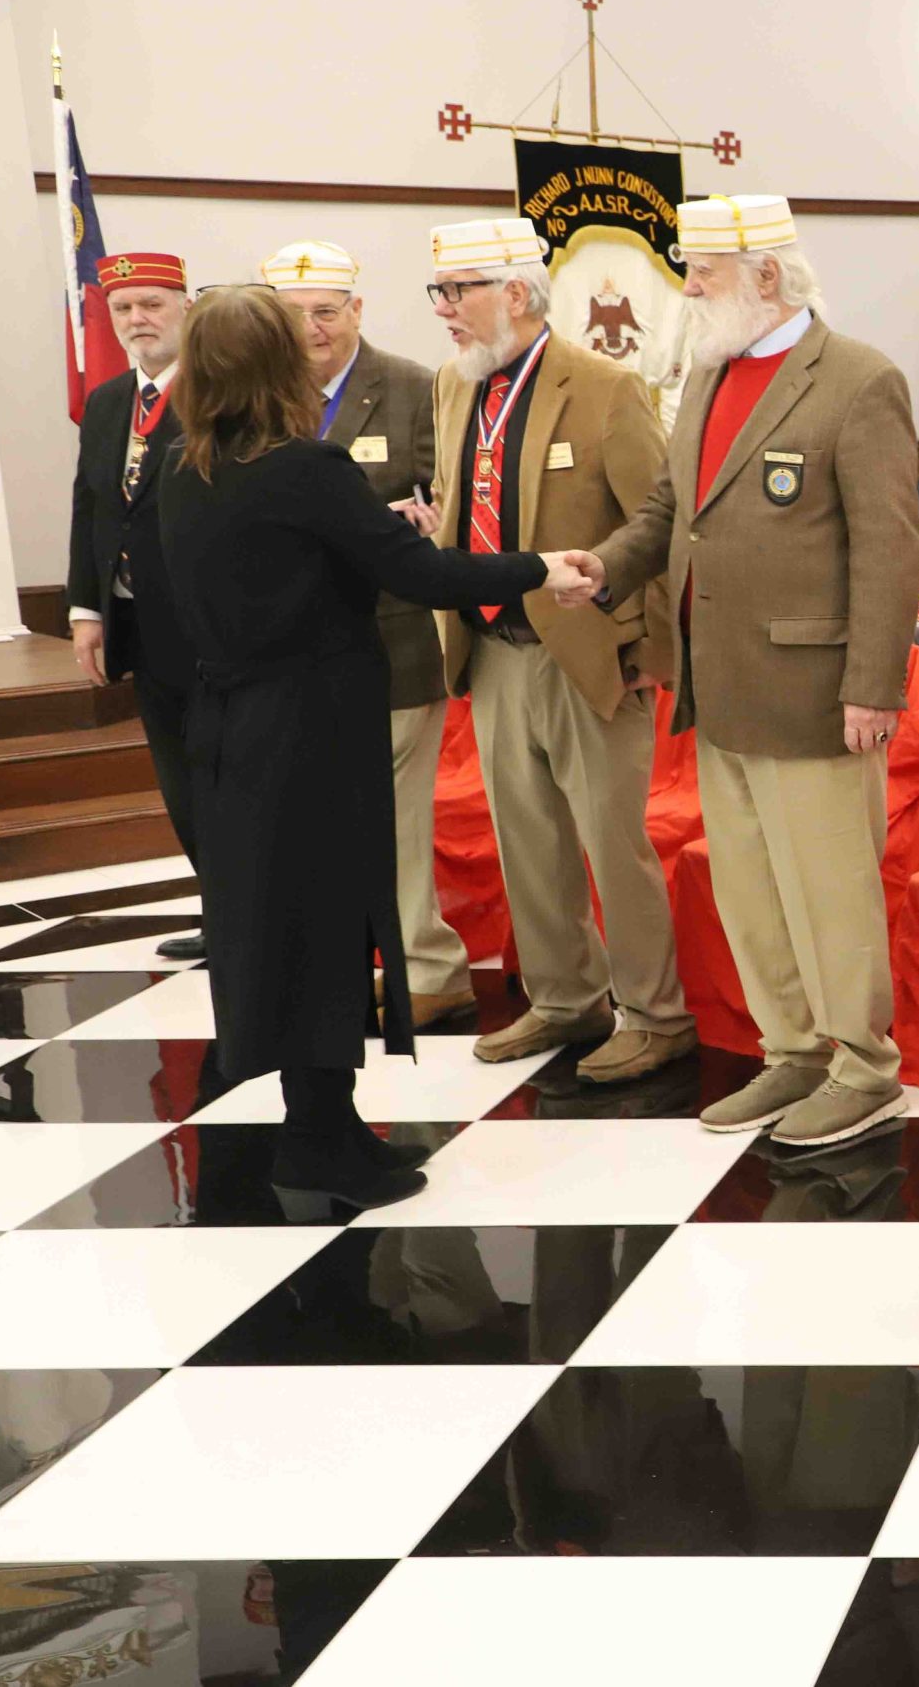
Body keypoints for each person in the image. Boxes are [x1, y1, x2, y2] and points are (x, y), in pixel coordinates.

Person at [154, 285, 599, 1209]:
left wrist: (363, 536)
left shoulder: (184, 466)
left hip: (232, 728)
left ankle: (326, 1120)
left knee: (277, 928)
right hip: (311, 731)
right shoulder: (305, 467)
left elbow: (272, 566)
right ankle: (320, 1141)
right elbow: (422, 575)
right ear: (278, 363)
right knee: (325, 928)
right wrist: (540, 566)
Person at [589, 194, 919, 1147]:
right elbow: (671, 509)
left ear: (767, 276)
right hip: (720, 683)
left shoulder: (859, 379)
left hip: (814, 692)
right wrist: (605, 568)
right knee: (750, 888)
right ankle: (794, 1052)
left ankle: (865, 1068)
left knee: (829, 891)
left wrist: (873, 685)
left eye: (703, 272)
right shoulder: (708, 373)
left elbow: (890, 548)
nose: (689, 290)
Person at [419, 218, 694, 1085]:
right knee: (527, 841)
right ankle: (567, 997)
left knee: (614, 844)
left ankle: (655, 1013)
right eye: (437, 291)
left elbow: (658, 524)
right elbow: (462, 493)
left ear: (514, 292)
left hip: (588, 653)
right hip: (491, 645)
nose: (442, 309)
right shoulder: (454, 384)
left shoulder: (606, 387)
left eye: (456, 290)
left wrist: (648, 649)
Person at [260, 239, 472, 1027]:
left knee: (397, 819)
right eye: (294, 315)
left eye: (326, 311)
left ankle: (429, 968)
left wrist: (406, 523)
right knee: (324, 820)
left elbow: (450, 505)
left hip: (393, 642)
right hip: (296, 649)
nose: (311, 329)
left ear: (357, 310)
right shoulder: (261, 395)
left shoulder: (415, 388)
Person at [67, 251, 207, 963]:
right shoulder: (107, 401)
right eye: (122, 308)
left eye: (152, 303)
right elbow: (90, 506)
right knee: (179, 780)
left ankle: (255, 913)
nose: (137, 319)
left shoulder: (218, 393)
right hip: (138, 621)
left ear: (187, 306)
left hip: (211, 623)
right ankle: (222, 909)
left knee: (224, 775)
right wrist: (85, 611)